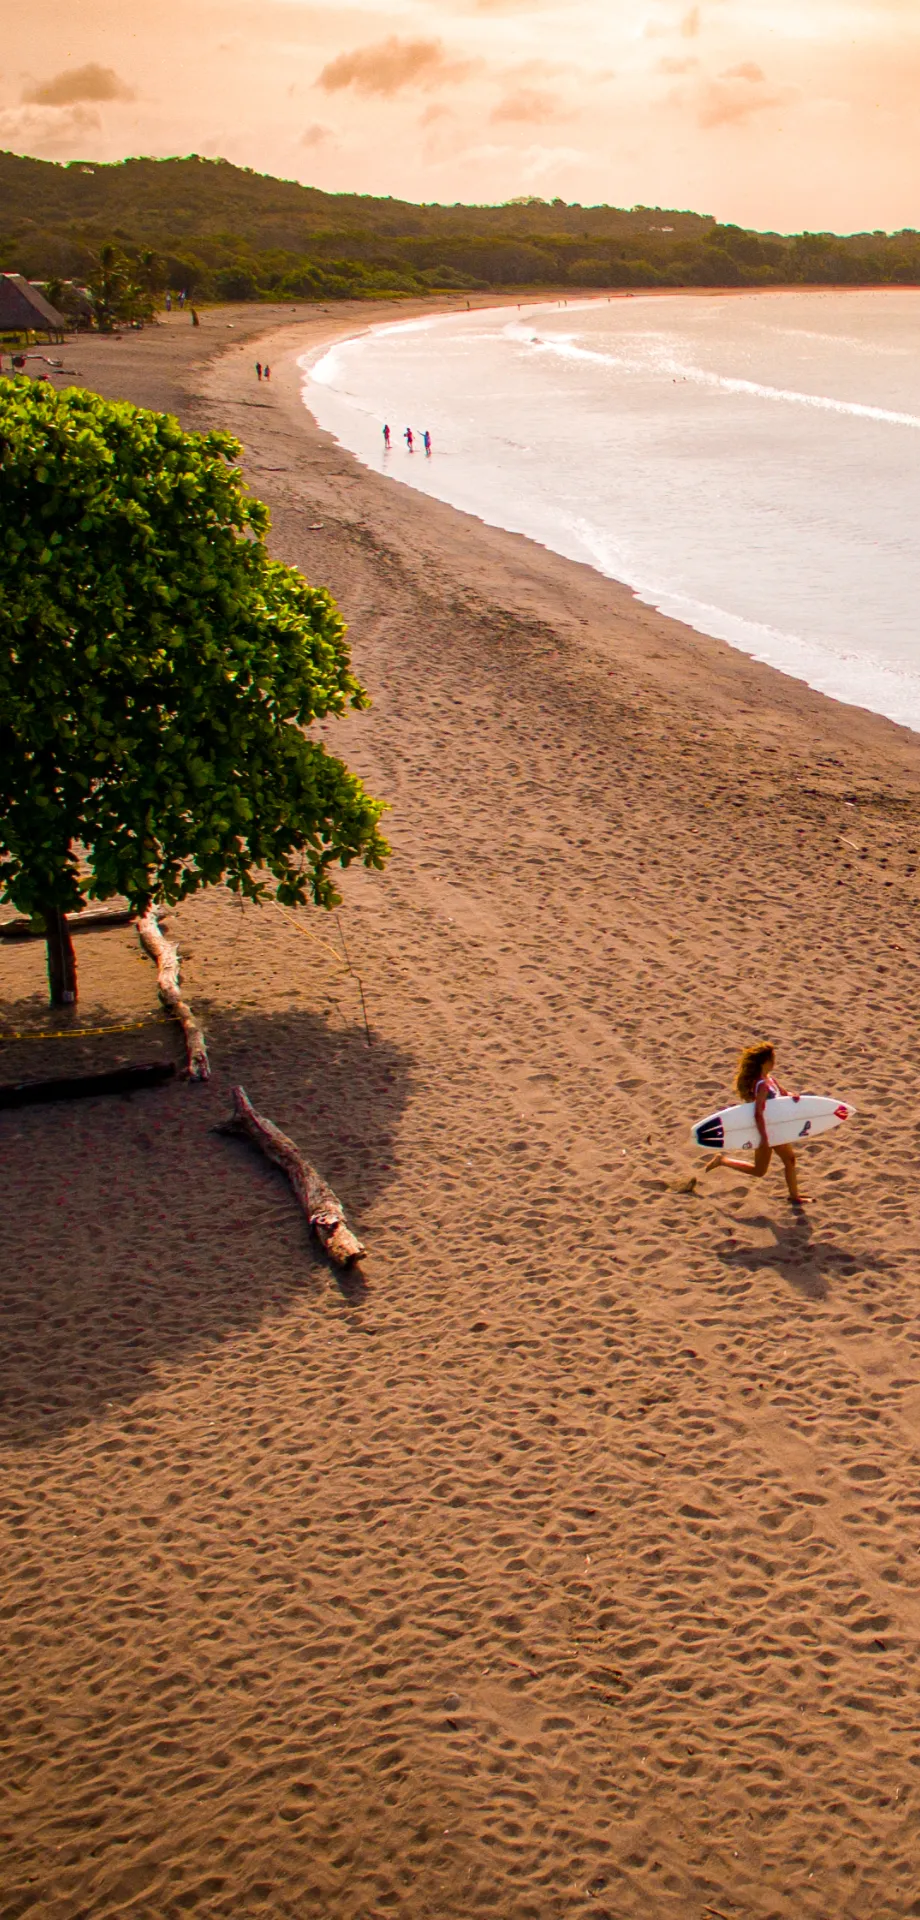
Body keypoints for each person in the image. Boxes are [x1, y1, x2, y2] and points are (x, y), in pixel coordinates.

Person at [706, 1043, 809, 1206]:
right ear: (764, 1062)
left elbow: (783, 1094)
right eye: (772, 1059)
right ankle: (794, 1196)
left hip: (774, 1127)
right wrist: (764, 1137)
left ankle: (722, 1161)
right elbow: (758, 1113)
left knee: (765, 1169)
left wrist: (792, 1096)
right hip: (766, 1130)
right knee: (785, 1161)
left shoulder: (770, 1079)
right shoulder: (761, 1085)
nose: (774, 1062)